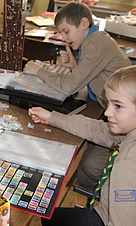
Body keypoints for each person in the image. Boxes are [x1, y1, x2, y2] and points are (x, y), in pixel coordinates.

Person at [24, 2, 131, 189]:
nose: (64, 38)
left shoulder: (95, 42)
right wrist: (75, 67)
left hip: (125, 127)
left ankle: (98, 195)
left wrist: (39, 71)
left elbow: (69, 87)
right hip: (112, 111)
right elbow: (95, 73)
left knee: (88, 167)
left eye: (66, 31)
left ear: (83, 23)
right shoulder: (94, 38)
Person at [29, 65, 136, 226]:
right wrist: (52, 117)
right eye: (108, 104)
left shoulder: (128, 164)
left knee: (46, 216)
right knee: (48, 216)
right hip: (107, 211)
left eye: (118, 106)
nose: (107, 113)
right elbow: (98, 129)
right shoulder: (129, 131)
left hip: (107, 219)